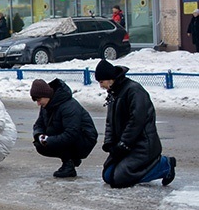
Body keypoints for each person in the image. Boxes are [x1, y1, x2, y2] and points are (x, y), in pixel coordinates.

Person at [95, 59, 176, 188]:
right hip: (126, 145)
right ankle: (154, 167)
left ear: (110, 78)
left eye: (101, 82)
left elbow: (136, 121)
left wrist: (124, 143)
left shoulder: (134, 90)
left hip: (142, 144)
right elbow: (109, 122)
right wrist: (109, 143)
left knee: (119, 179)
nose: (101, 86)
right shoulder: (114, 93)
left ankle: (164, 165)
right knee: (108, 175)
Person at [29, 78, 98, 178]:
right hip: (72, 136)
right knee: (40, 145)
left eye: (39, 100)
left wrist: (49, 140)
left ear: (47, 95)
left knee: (53, 136)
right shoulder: (46, 106)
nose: (38, 104)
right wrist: (39, 136)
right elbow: (38, 124)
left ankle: (70, 162)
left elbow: (71, 133)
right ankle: (70, 160)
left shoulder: (69, 106)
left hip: (85, 138)